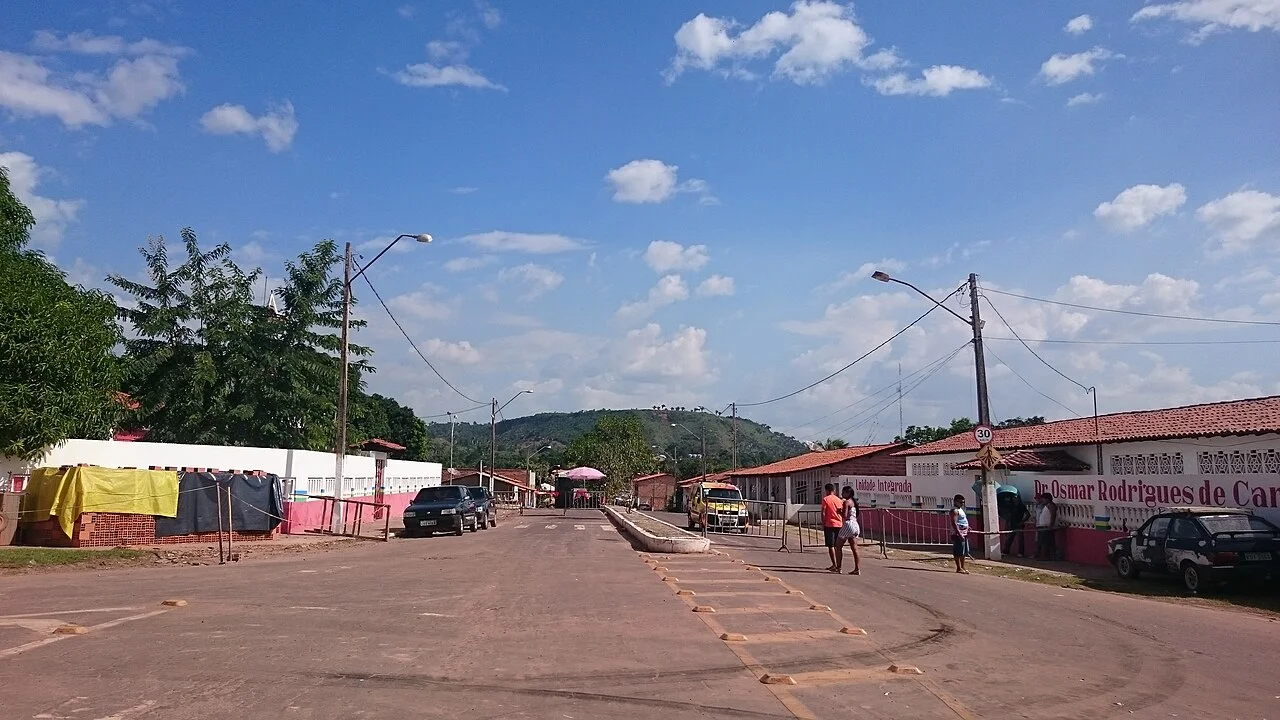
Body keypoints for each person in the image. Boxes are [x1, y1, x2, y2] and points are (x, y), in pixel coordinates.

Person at [837, 486, 861, 575]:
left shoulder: (847, 502)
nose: (842, 494)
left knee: (838, 546)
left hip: (848, 524)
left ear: (847, 493)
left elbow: (845, 514)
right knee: (854, 548)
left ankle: (838, 567)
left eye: (843, 492)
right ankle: (857, 568)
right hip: (855, 525)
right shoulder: (854, 502)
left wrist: (839, 511)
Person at [820, 483, 844, 573]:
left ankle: (834, 564)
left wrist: (823, 522)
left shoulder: (826, 499)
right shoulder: (839, 500)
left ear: (827, 490)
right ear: (834, 490)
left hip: (829, 524)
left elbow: (823, 512)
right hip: (839, 524)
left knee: (831, 546)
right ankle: (839, 566)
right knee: (838, 546)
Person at [999, 491, 1030, 557]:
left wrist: (1022, 521)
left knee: (1020, 540)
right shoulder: (1011, 506)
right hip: (1012, 524)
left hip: (1020, 525)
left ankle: (1021, 553)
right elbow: (1008, 517)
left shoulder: (1022, 506)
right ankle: (1005, 552)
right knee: (1009, 539)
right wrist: (1007, 525)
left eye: (1016, 498)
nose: (1015, 499)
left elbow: (1028, 514)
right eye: (1014, 498)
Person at [1035, 492, 1059, 560]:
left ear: (1047, 499)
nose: (1042, 500)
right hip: (1043, 527)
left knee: (1045, 543)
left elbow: (1053, 516)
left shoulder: (1051, 505)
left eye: (1043, 499)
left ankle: (1045, 557)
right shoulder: (1046, 506)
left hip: (1047, 527)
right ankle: (1044, 556)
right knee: (1042, 542)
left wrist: (1051, 526)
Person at [950, 494, 970, 574]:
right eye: (960, 502)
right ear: (955, 501)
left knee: (964, 551)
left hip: (964, 533)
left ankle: (963, 567)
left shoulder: (961, 510)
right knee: (958, 551)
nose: (962, 504)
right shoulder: (954, 511)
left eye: (963, 502)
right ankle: (958, 568)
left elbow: (963, 520)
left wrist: (968, 527)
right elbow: (954, 523)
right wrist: (958, 533)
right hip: (958, 534)